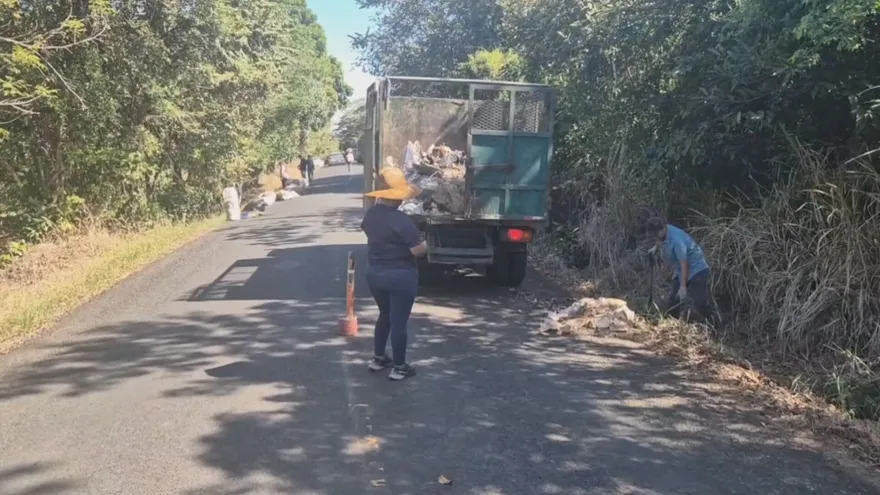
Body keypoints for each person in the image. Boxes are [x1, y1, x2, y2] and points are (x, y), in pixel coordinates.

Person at [360, 167, 427, 381]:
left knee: (385, 315)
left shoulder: (370, 215)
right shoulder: (402, 221)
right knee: (399, 321)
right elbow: (418, 250)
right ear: (397, 198)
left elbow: (368, 231)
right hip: (401, 276)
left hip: (375, 274)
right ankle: (399, 367)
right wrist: (424, 241)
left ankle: (378, 358)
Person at [645, 217, 712, 320]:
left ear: (662, 229)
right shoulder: (665, 230)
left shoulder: (677, 241)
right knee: (673, 300)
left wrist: (683, 286)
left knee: (699, 302)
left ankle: (711, 323)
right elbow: (662, 240)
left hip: (697, 269)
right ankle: (672, 323)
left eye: (656, 235)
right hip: (681, 271)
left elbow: (684, 263)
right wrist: (656, 248)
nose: (655, 238)